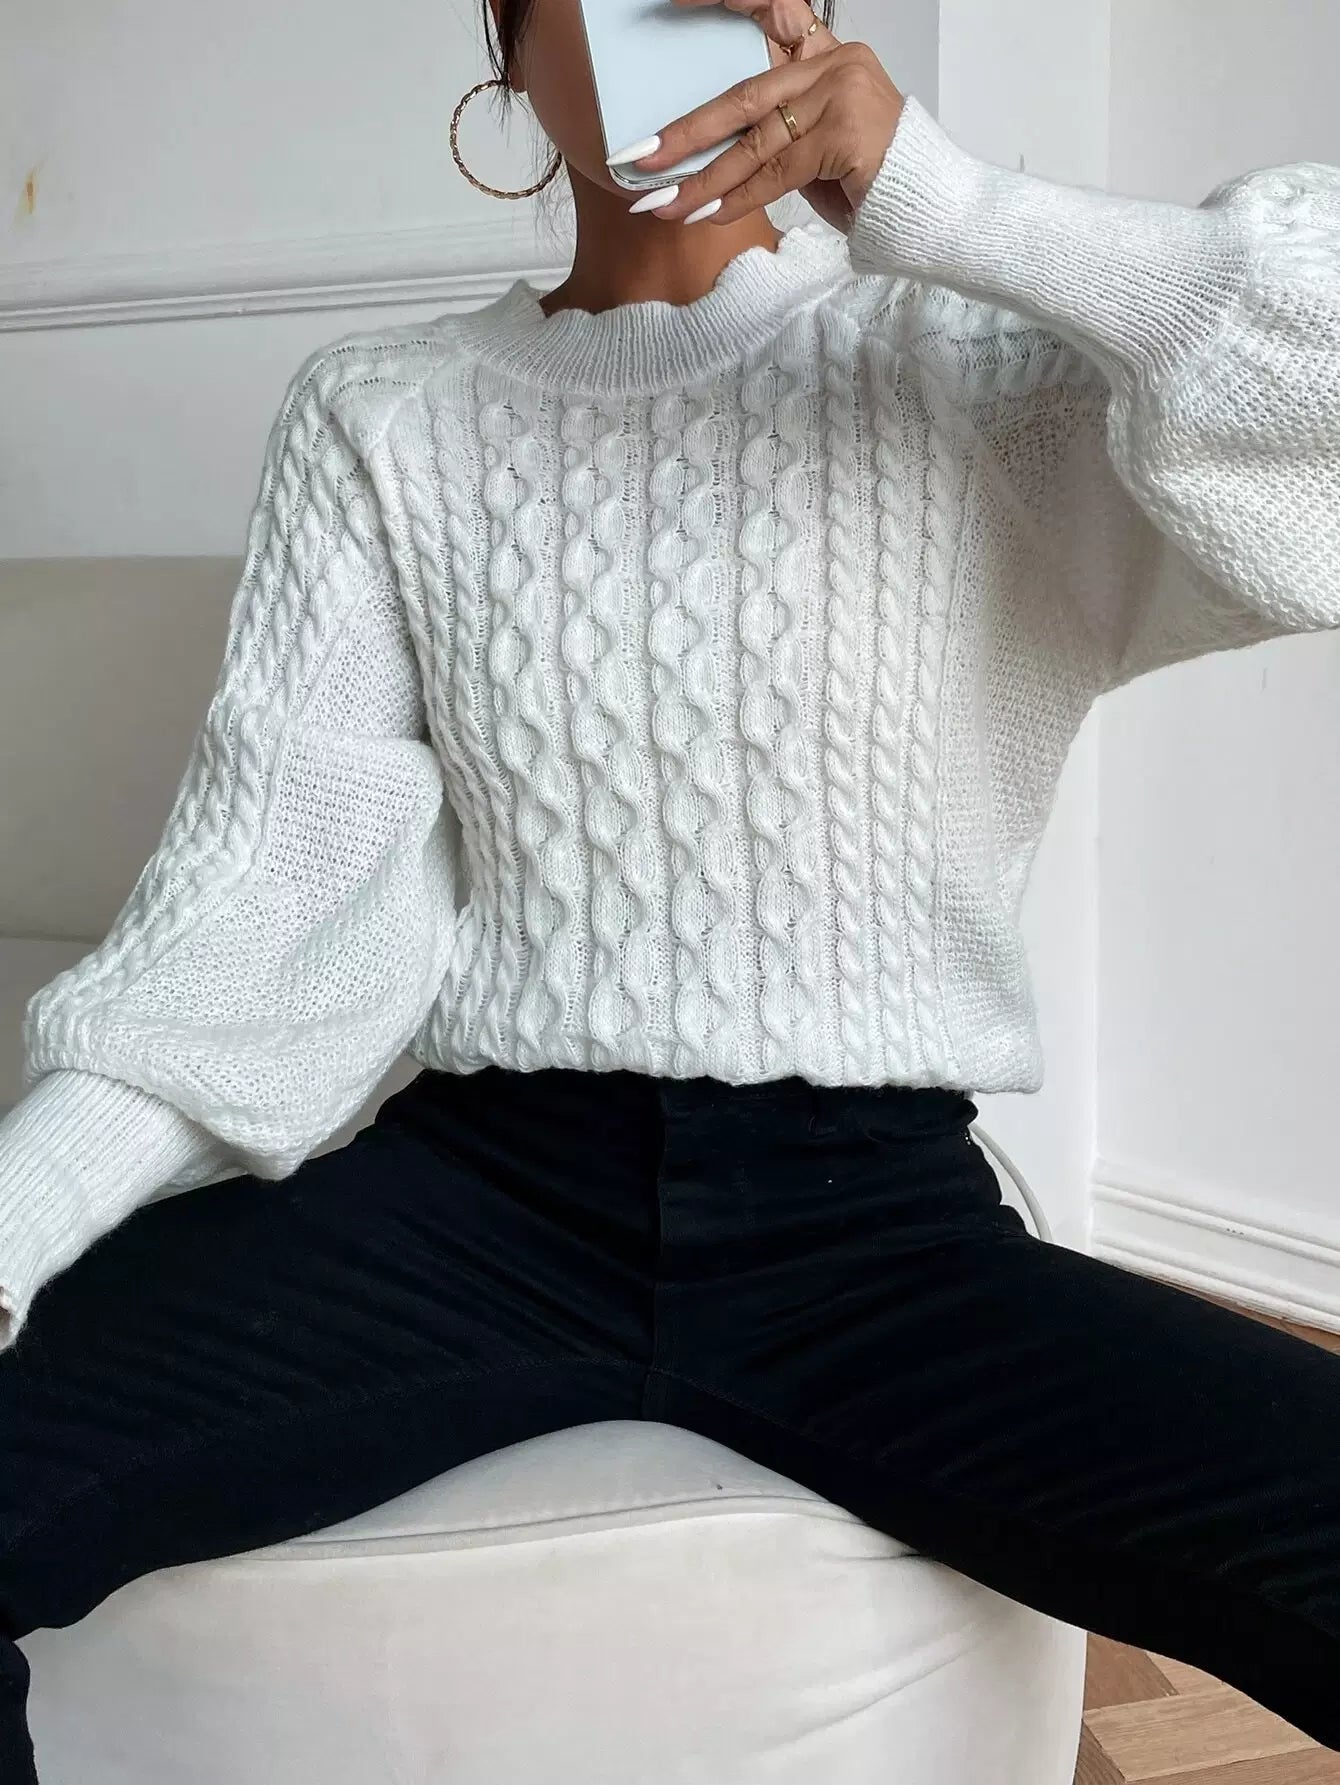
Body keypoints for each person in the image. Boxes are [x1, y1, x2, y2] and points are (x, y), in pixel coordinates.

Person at [2, 0, 1339, 1773]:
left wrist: (946, 200)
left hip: (874, 1235)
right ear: (510, 44)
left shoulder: (969, 365)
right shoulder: (384, 415)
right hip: (477, 1201)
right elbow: (254, 908)